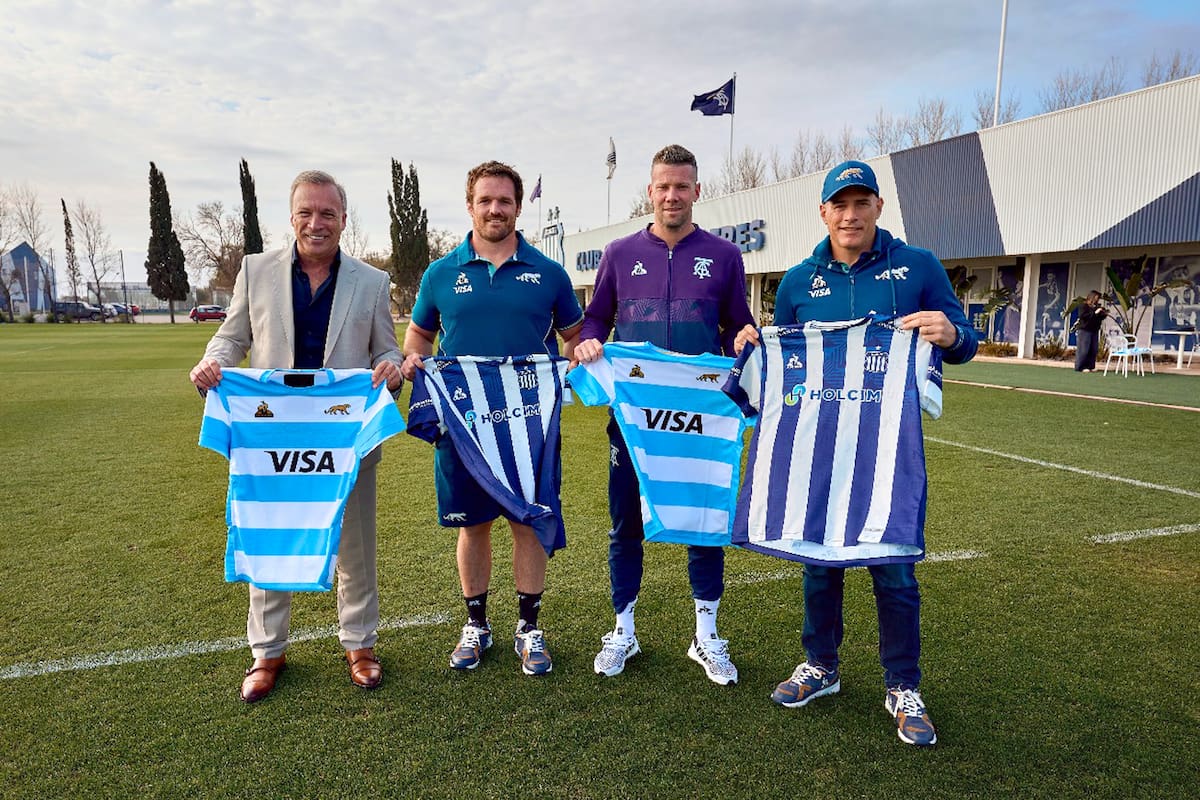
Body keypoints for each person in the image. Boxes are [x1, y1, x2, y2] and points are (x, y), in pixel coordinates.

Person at [735, 160, 977, 745]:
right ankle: (822, 666)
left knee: (893, 567)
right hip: (816, 448)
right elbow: (781, 357)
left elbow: (963, 336)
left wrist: (951, 334)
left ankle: (902, 684)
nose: (850, 214)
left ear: (878, 208)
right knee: (819, 560)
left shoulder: (915, 265)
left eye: (860, 202)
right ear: (823, 212)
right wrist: (752, 347)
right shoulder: (797, 280)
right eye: (839, 204)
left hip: (888, 450)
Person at [189, 170, 403, 702]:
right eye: (306, 212)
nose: (316, 223)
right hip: (271, 440)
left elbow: (386, 350)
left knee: (354, 549)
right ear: (292, 217)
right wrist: (213, 364)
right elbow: (231, 336)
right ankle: (267, 652)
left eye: (327, 213)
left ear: (343, 221)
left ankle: (360, 644)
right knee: (271, 539)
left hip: (345, 442)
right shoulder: (255, 271)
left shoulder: (372, 282)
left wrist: (391, 369)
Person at [574, 144, 756, 685]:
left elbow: (737, 326)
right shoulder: (618, 252)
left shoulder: (723, 256)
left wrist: (743, 337)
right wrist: (587, 343)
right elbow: (595, 320)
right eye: (662, 186)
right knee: (624, 524)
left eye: (682, 186)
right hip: (633, 420)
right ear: (649, 191)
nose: (672, 195)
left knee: (705, 523)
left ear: (697, 192)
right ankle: (624, 631)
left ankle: (706, 636)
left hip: (701, 420)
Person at [400, 161, 583, 676]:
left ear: (518, 207)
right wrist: (414, 358)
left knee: (527, 522)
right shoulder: (441, 273)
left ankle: (530, 627)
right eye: (485, 200)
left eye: (504, 201)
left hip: (529, 425)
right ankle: (476, 625)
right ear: (470, 205)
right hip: (463, 426)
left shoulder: (548, 273)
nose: (495, 209)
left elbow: (575, 337)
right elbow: (419, 337)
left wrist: (583, 351)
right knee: (473, 526)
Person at [1074, 290, 1108, 372]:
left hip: (1094, 330)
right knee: (1084, 349)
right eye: (1096, 298)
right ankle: (1080, 367)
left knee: (1093, 349)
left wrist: (1103, 314)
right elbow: (1084, 316)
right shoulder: (1083, 306)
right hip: (1085, 329)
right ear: (1091, 297)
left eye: (1098, 298)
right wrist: (1095, 313)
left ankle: (1090, 366)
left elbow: (1098, 317)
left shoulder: (1096, 306)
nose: (1097, 300)